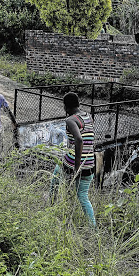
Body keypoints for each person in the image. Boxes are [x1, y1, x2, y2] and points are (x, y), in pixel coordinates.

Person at [50, 92, 97, 227]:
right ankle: (93, 228)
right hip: (90, 164)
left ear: (65, 107)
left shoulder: (70, 120)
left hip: (73, 164)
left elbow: (79, 139)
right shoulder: (88, 116)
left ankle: (51, 207)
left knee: (55, 180)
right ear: (79, 104)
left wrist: (77, 167)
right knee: (83, 196)